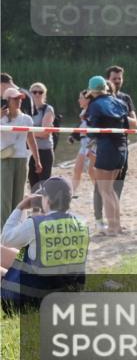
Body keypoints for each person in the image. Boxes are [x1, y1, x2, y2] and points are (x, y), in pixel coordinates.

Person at [1, 177, 88, 310]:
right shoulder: (82, 224)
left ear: (47, 200)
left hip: (33, 299)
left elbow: (6, 239)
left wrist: (21, 207)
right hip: (68, 294)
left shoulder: (36, 224)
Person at [84, 76, 129, 235]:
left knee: (105, 190)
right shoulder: (120, 102)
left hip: (107, 148)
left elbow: (92, 131)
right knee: (111, 191)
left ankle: (112, 228)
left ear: (92, 91)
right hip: (122, 149)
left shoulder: (95, 105)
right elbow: (127, 127)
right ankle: (116, 226)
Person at [97, 66, 137, 233]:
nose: (117, 81)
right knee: (101, 189)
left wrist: (118, 116)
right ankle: (103, 223)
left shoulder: (124, 99)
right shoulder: (99, 100)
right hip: (102, 148)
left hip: (119, 148)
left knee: (114, 188)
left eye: (120, 78)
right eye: (114, 78)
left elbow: (134, 124)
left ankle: (115, 224)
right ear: (108, 80)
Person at [1, 89, 41, 221]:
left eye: (20, 99)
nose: (18, 101)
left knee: (18, 196)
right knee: (5, 196)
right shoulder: (1, 119)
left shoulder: (26, 119)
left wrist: (37, 160)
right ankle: (4, 230)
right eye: (15, 99)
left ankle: (16, 225)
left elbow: (31, 140)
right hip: (4, 159)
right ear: (7, 101)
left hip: (22, 159)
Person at [26, 83, 55, 189]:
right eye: (34, 92)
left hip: (44, 150)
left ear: (44, 94)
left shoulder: (48, 109)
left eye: (40, 92)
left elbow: (45, 133)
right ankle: (35, 205)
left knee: (44, 183)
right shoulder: (27, 110)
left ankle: (45, 205)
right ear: (30, 94)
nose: (37, 94)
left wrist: (27, 133)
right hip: (29, 151)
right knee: (32, 183)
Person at [69, 91, 97, 201]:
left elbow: (93, 127)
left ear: (88, 99)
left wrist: (91, 145)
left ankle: (100, 190)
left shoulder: (93, 112)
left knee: (91, 170)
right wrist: (73, 136)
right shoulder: (83, 112)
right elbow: (81, 126)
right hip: (84, 144)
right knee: (77, 169)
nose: (79, 100)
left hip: (92, 144)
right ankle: (72, 192)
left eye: (81, 98)